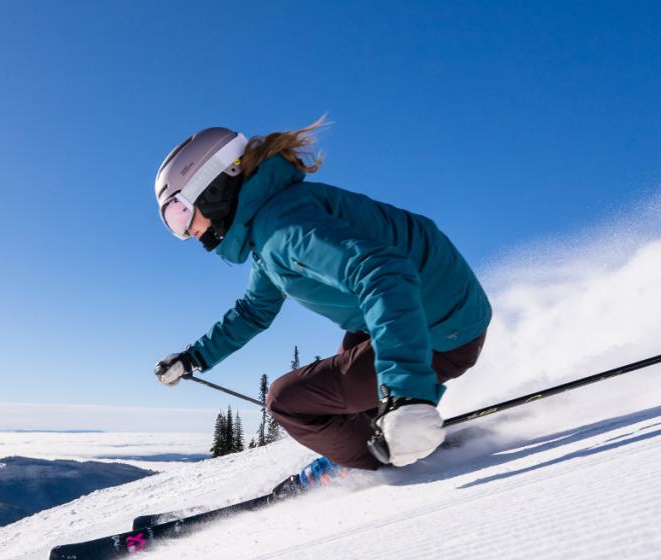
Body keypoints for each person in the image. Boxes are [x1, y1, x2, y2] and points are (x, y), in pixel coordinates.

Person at [152, 120, 491, 482]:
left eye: (180, 214)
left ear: (214, 187)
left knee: (287, 401)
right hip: (437, 309)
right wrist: (195, 357)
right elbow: (254, 310)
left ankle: (383, 462)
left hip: (443, 330)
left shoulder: (283, 229)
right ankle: (378, 431)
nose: (188, 233)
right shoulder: (270, 229)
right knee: (347, 363)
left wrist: (406, 395)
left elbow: (382, 271)